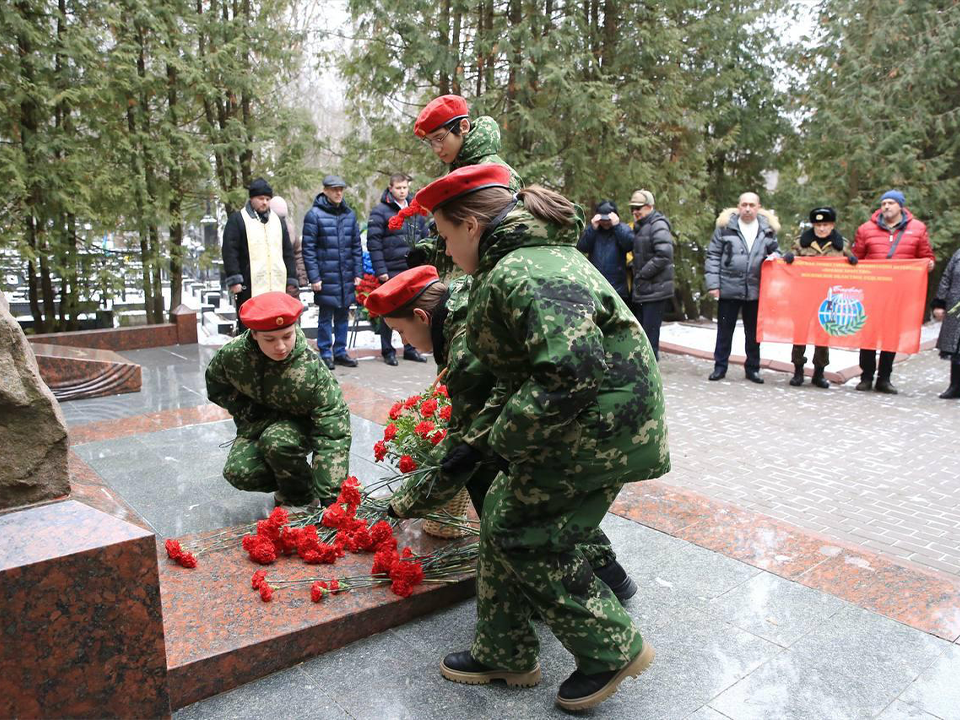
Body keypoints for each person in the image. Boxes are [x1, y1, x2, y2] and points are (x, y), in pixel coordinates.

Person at [408, 164, 669, 711]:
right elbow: (520, 374)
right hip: (584, 421)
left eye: (447, 235)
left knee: (528, 532)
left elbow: (569, 374)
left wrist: (497, 444)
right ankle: (505, 650)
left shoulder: (526, 270)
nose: (446, 251)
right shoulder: (516, 264)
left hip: (601, 426)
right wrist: (476, 444)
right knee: (504, 510)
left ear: (473, 226)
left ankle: (610, 649)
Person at [365, 265, 640, 604]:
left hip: (575, 416)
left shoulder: (466, 342)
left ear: (422, 316)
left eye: (400, 331)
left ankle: (582, 589)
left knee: (498, 482)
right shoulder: (463, 309)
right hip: (572, 407)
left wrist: (401, 505)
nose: (402, 341)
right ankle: (607, 572)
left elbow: (463, 441)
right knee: (519, 488)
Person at [204, 292, 351, 508]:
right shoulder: (233, 356)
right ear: (254, 334)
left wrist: (331, 496)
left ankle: (302, 497)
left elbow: (333, 430)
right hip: (258, 424)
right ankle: (298, 482)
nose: (280, 346)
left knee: (277, 441)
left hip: (302, 428)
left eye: (287, 336)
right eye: (270, 339)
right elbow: (217, 386)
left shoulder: (310, 369)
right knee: (239, 472)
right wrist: (248, 411)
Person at [409, 95, 522, 281]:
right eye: (431, 142)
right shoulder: (458, 170)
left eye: (439, 138)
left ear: (463, 127)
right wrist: (429, 250)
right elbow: (459, 233)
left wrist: (459, 295)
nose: (436, 149)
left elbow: (499, 243)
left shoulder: (494, 174)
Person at [852, 190, 936, 394]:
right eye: (883, 203)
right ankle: (866, 376)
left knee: (891, 335)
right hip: (872, 292)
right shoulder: (866, 229)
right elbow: (856, 258)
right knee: (868, 335)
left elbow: (925, 256)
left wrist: (928, 264)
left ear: (900, 206)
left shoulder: (917, 229)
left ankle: (884, 378)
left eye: (891, 203)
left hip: (899, 293)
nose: (886, 207)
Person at [704, 192, 781, 383]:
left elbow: (776, 250)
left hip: (755, 290)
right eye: (744, 205)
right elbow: (713, 255)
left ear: (758, 207)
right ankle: (720, 367)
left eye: (752, 205)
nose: (747, 209)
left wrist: (776, 257)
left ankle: (753, 369)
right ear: (738, 207)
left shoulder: (767, 230)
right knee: (724, 331)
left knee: (753, 333)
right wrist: (713, 284)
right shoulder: (725, 228)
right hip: (728, 288)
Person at [782, 207, 858, 388]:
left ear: (832, 225)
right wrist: (789, 258)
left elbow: (853, 265)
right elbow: (788, 265)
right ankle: (798, 370)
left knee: (823, 334)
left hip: (828, 298)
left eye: (825, 225)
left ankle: (819, 373)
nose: (822, 229)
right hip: (803, 296)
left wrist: (853, 262)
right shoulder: (801, 243)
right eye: (818, 225)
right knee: (800, 333)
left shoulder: (842, 244)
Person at [366, 173, 430, 365]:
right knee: (389, 312)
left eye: (405, 188)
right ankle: (388, 350)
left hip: (412, 268)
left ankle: (410, 348)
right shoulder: (380, 211)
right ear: (390, 188)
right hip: (390, 270)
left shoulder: (415, 210)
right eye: (398, 188)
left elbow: (424, 237)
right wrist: (380, 270)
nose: (402, 191)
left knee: (412, 310)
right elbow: (374, 243)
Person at [301, 175, 363, 371]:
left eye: (341, 189)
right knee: (326, 316)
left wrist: (358, 272)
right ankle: (326, 352)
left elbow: (356, 246)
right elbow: (308, 249)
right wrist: (314, 277)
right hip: (326, 276)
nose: (338, 193)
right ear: (325, 190)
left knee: (344, 315)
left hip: (345, 275)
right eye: (334, 189)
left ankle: (340, 352)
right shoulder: (314, 215)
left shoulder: (349, 215)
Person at [221, 178, 298, 331]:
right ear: (252, 199)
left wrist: (291, 278)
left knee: (276, 323)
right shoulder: (238, 220)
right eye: (261, 198)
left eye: (268, 199)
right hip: (249, 284)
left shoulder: (278, 221)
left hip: (276, 283)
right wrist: (235, 279)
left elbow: (287, 252)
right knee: (250, 324)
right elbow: (230, 251)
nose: (264, 202)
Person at [629, 189, 675, 360]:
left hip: (655, 289)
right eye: (632, 208)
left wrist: (642, 274)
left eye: (639, 208)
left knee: (650, 333)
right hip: (645, 288)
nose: (635, 212)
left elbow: (664, 255)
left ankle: (650, 369)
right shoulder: (642, 225)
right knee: (643, 332)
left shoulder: (658, 224)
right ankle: (645, 365)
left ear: (649, 206)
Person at [576, 200, 633, 303]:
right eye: (603, 219)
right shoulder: (593, 230)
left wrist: (617, 226)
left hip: (618, 286)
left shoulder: (622, 228)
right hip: (596, 284)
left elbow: (629, 245)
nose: (606, 222)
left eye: (608, 219)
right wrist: (593, 228)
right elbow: (582, 246)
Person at [932, 248, 960, 399]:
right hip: (955, 305)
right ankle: (955, 386)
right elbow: (946, 278)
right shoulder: (958, 254)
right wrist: (940, 303)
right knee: (956, 348)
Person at [269, 195, 309, 289]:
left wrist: (302, 277)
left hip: (290, 279)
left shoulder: (290, 231)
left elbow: (298, 255)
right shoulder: (264, 231)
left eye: (282, 217)